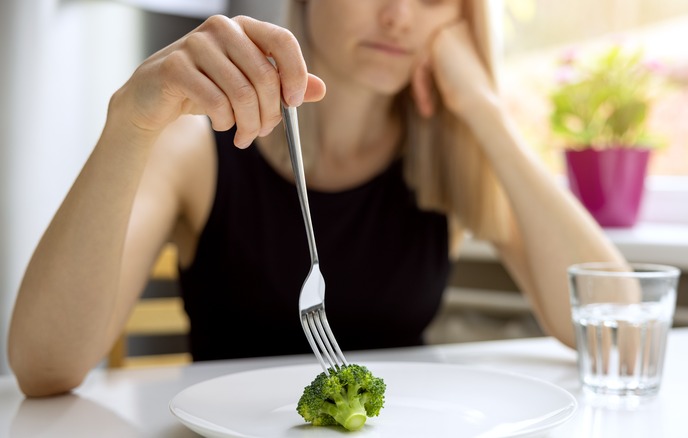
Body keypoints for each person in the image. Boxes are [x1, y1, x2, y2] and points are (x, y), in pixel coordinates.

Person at [9, 0, 623, 397]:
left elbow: (616, 326)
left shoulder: (449, 162)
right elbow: (43, 367)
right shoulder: (197, 150)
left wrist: (485, 110)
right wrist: (130, 124)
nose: (400, 17)